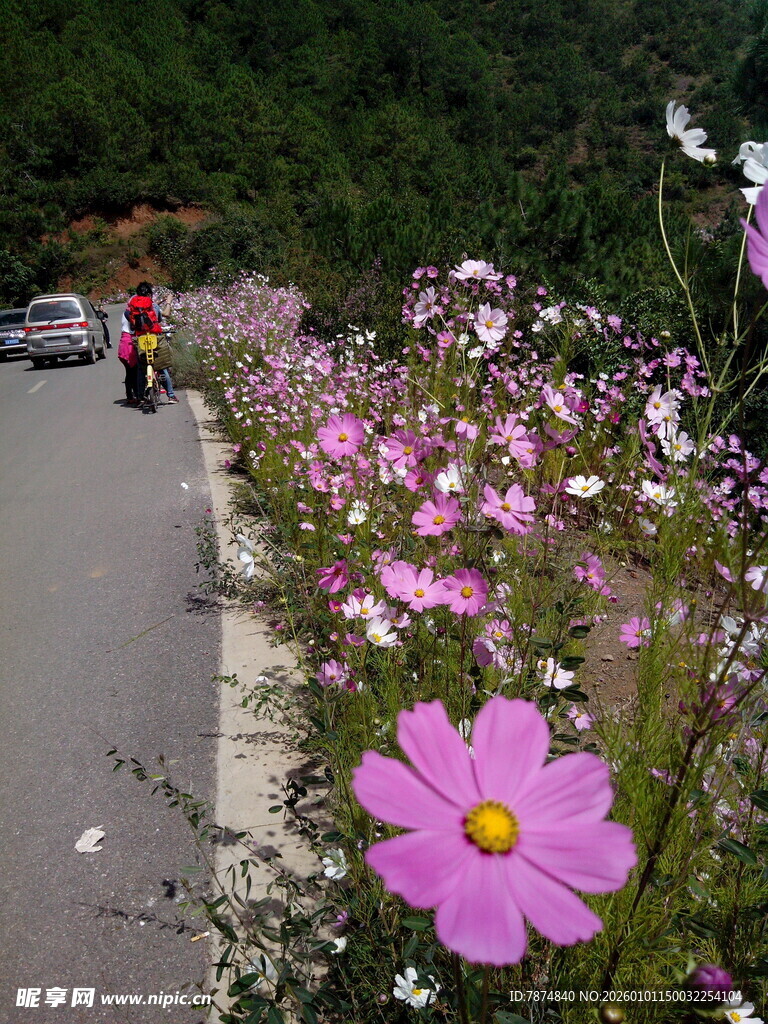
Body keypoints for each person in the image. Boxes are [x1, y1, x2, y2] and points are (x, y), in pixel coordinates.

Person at [125, 282, 179, 405]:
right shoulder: (153, 306)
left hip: (141, 340)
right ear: (150, 294)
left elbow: (131, 322)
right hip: (154, 338)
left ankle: (140, 397)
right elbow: (161, 317)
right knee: (162, 367)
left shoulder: (132, 307)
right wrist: (168, 302)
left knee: (140, 368)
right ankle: (170, 395)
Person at [117, 311, 139, 403]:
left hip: (123, 344)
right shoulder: (130, 314)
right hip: (129, 344)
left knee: (129, 372)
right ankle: (136, 396)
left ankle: (130, 395)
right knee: (134, 372)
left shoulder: (126, 313)